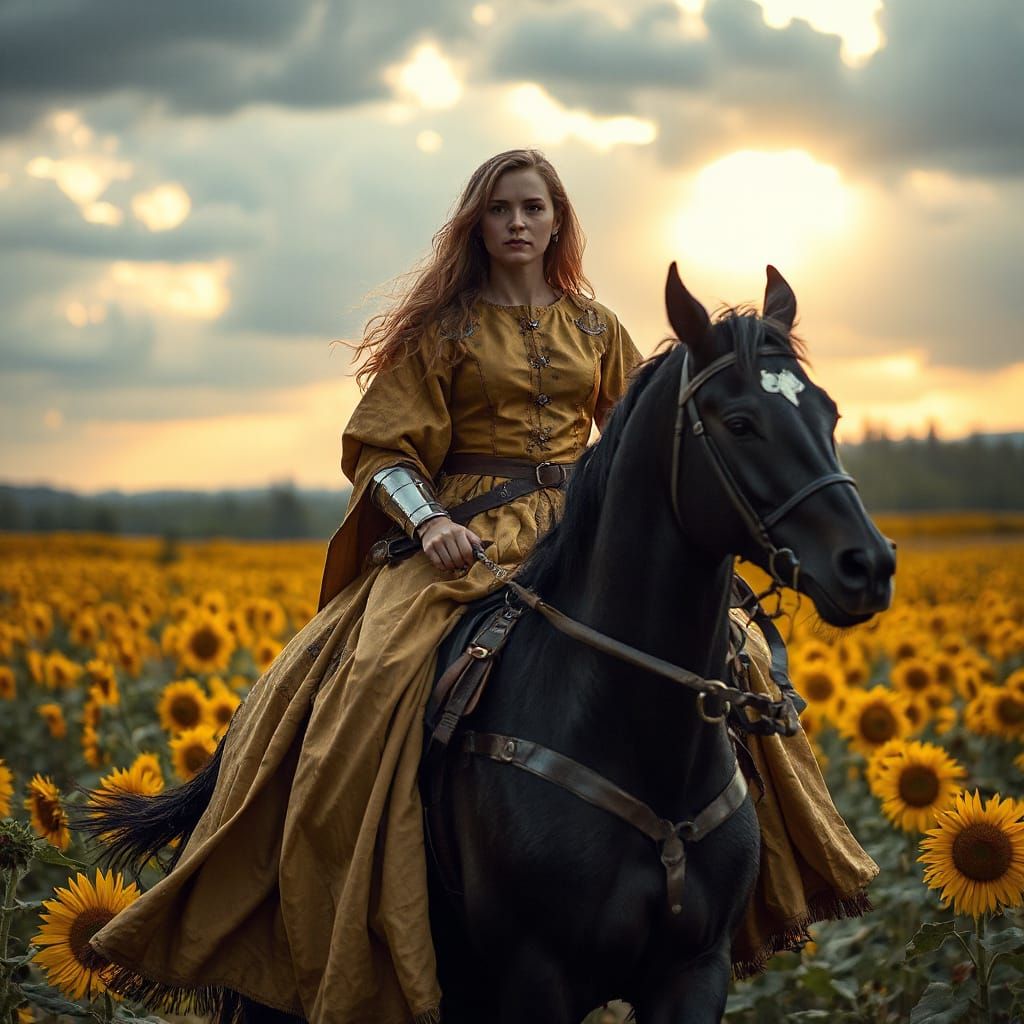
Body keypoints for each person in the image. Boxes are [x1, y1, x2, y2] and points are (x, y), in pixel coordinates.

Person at [83, 149, 644, 1023]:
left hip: (578, 545)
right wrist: (430, 524)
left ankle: (734, 883)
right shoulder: (445, 332)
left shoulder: (600, 328)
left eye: (534, 207)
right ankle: (339, 883)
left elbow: (637, 434)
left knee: (733, 664)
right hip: (463, 543)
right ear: (478, 224)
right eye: (501, 210)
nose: (519, 224)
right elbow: (380, 448)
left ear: (559, 221)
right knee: (370, 682)